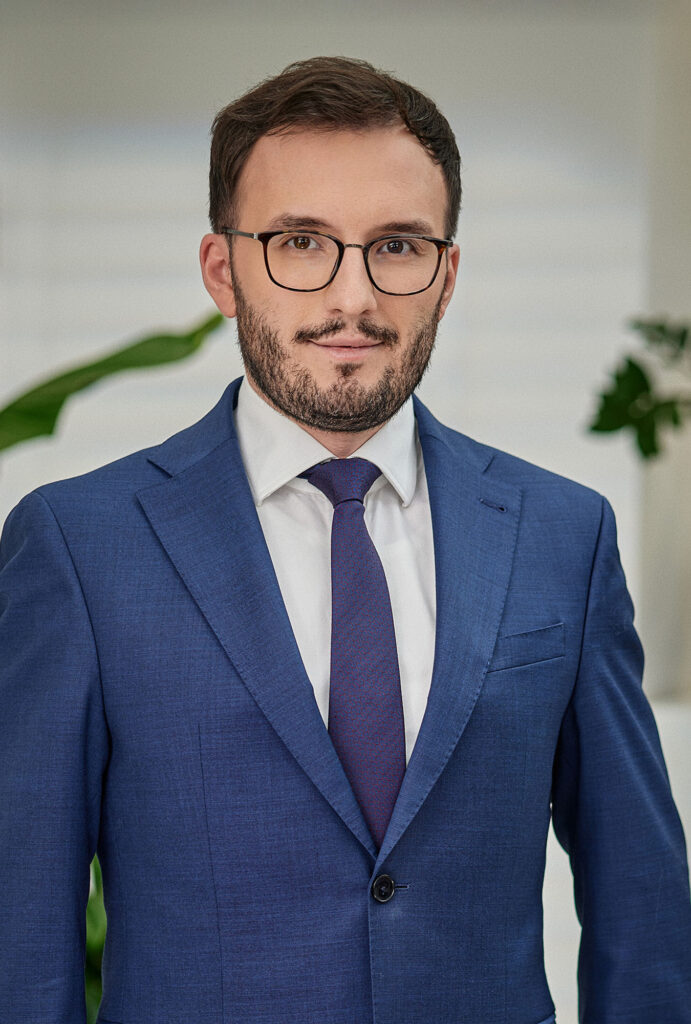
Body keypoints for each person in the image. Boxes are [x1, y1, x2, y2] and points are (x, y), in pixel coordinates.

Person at [0, 56, 689, 1024]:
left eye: (396, 246)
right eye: (299, 242)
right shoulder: (80, 546)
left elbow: (640, 901)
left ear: (445, 276)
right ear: (222, 270)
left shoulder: (562, 536)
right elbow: (21, 928)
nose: (352, 297)